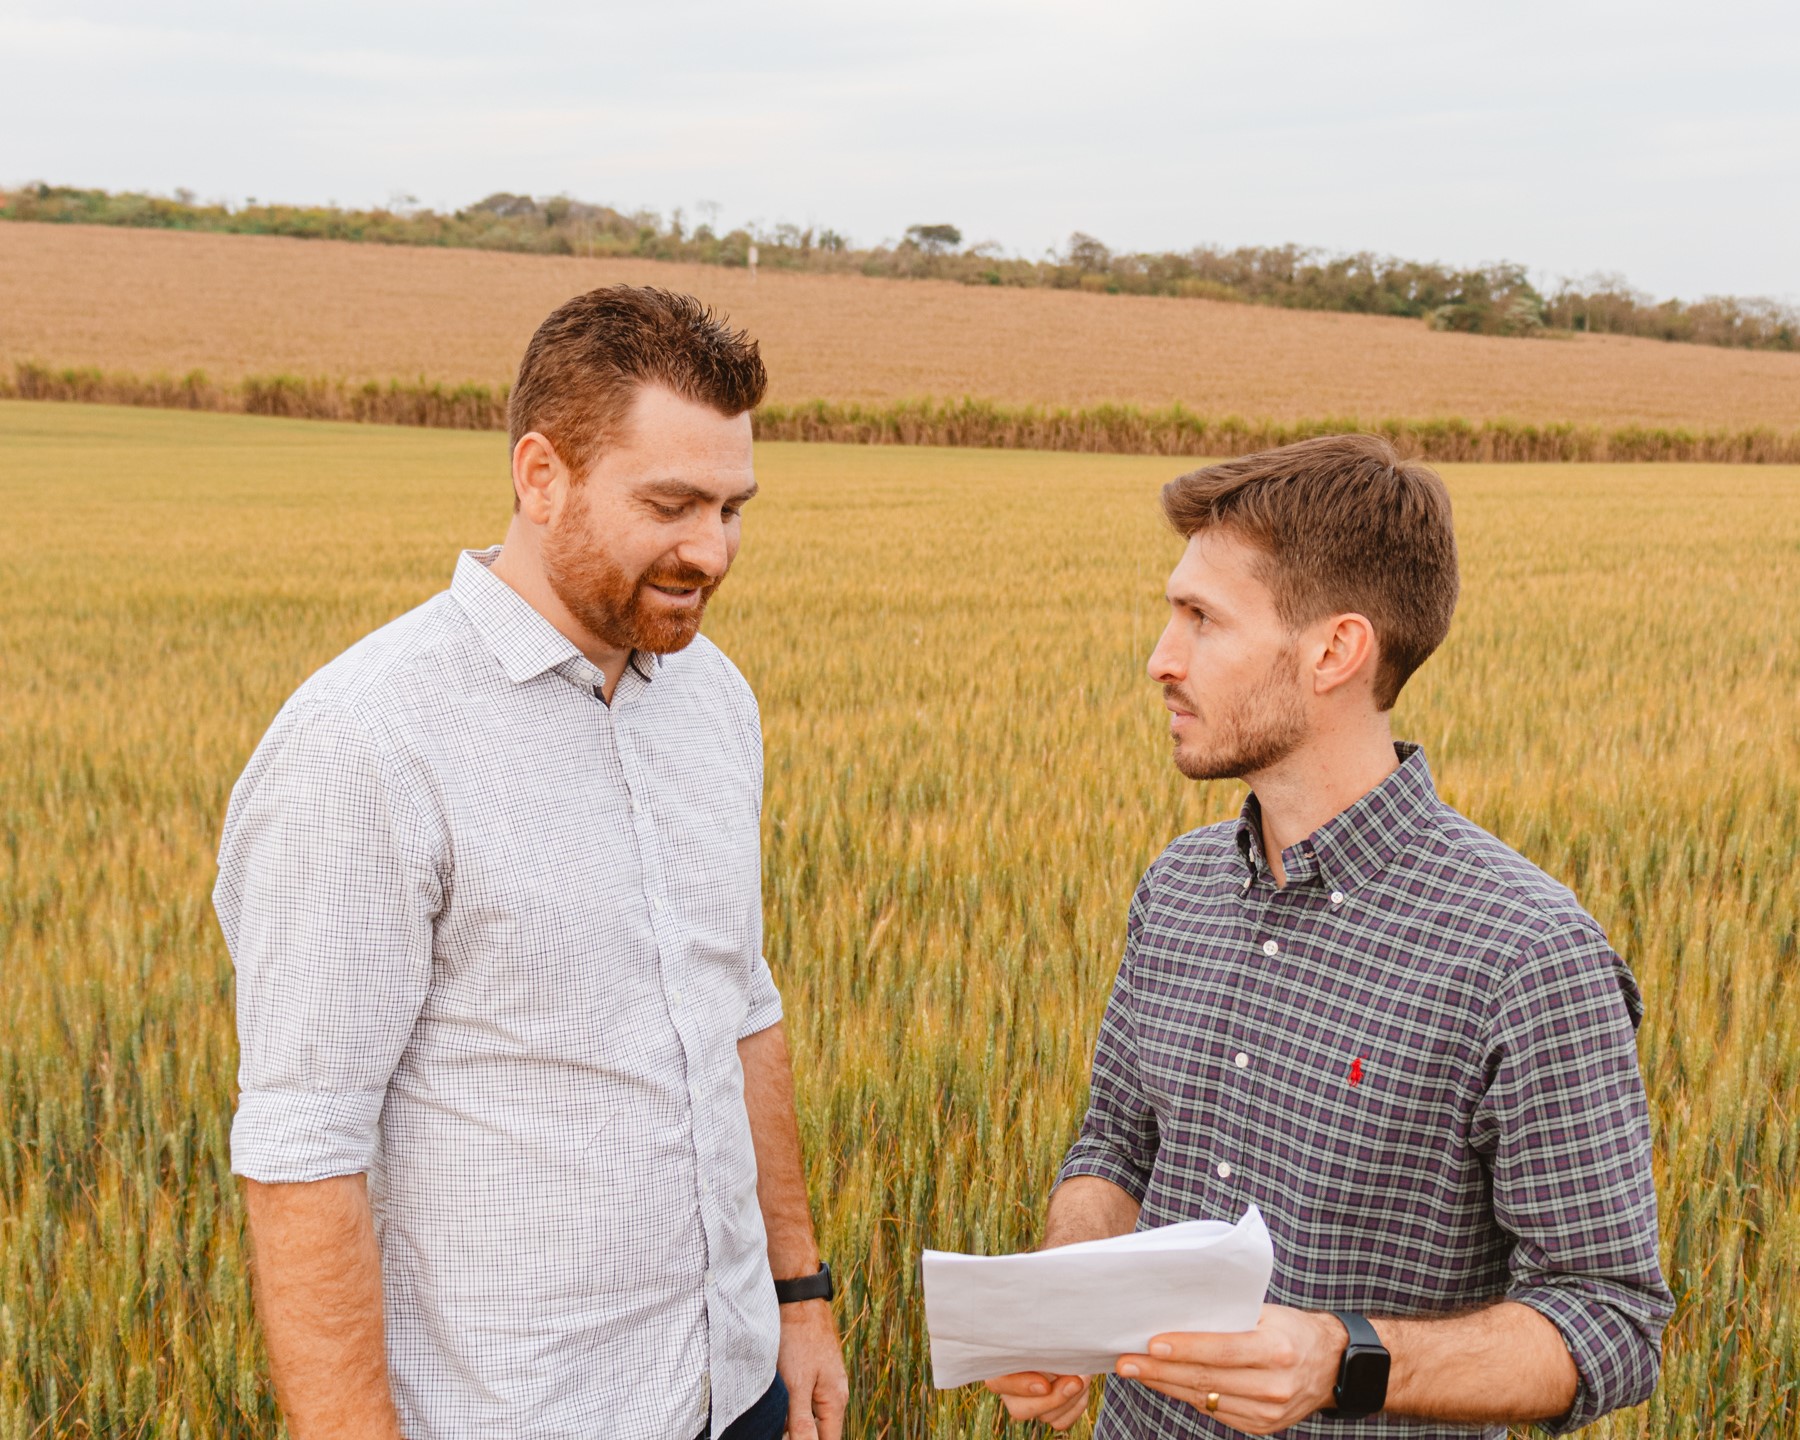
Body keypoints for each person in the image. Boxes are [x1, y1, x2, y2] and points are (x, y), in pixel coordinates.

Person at [215, 285, 848, 1440]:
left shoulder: (716, 699)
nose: (711, 550)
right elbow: (303, 1148)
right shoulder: (366, 743)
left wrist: (798, 1301)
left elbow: (739, 1009)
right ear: (540, 474)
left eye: (733, 507)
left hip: (738, 1388)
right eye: (671, 505)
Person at [985, 435, 1670, 1438]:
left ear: (1335, 651)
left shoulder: (1525, 956)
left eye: (1201, 620)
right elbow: (1117, 1146)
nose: (1159, 659)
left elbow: (1612, 1321)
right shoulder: (1177, 887)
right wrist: (1066, 1292)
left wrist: (1344, 1361)